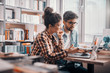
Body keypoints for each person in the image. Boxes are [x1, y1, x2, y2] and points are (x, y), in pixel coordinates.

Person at [31, 7, 87, 73]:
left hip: (50, 66)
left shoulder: (52, 37)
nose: (60, 27)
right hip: (41, 67)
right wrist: (68, 52)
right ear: (50, 26)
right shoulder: (42, 36)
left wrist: (60, 38)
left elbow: (60, 50)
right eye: (58, 25)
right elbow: (49, 56)